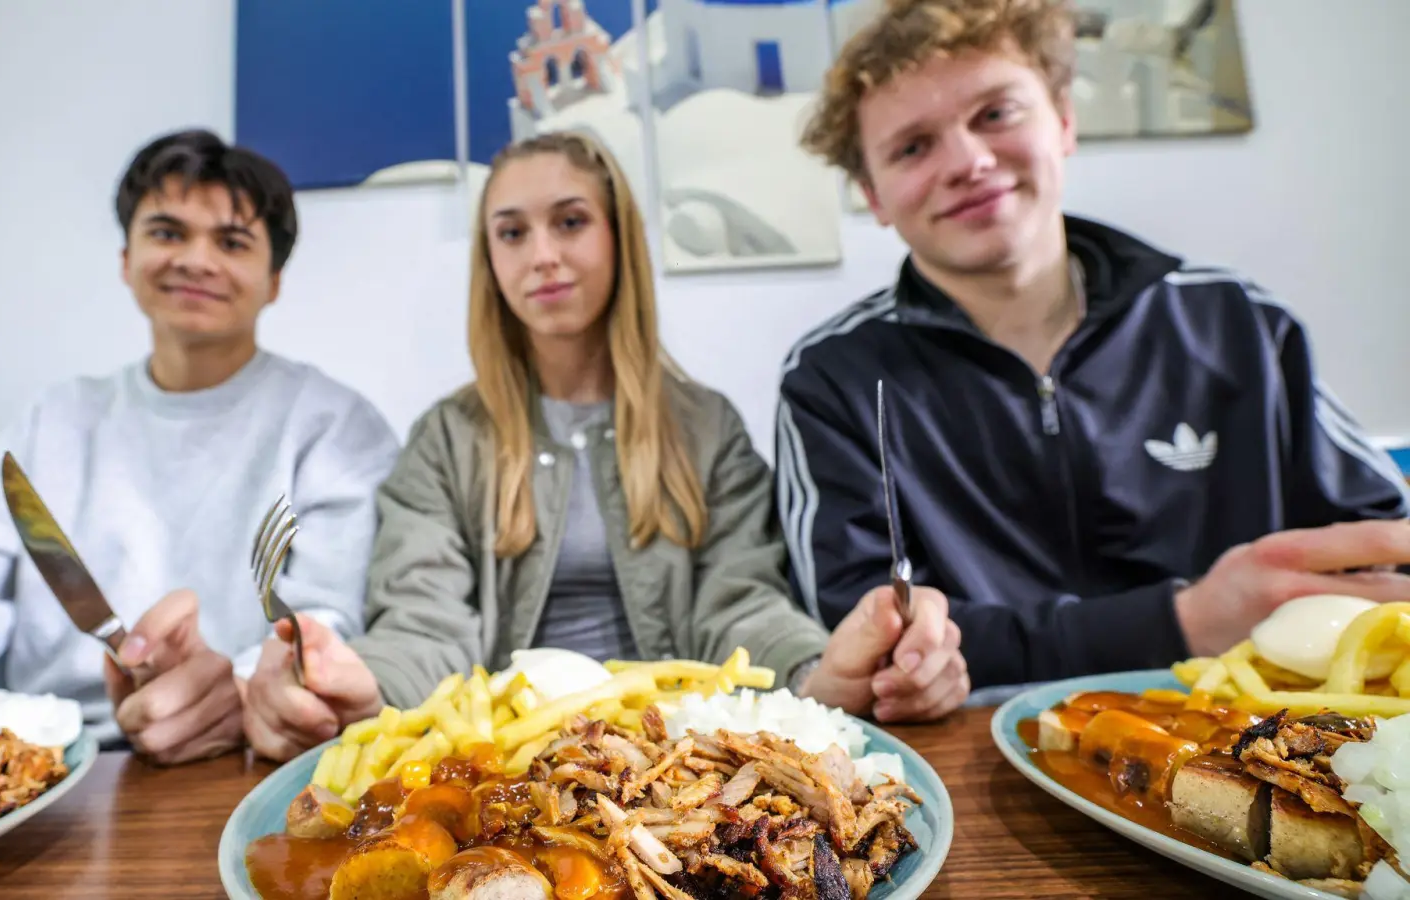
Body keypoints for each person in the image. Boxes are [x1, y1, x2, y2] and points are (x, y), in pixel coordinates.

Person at [240, 131, 971, 762]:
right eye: (512, 233)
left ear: (620, 237)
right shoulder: (445, 440)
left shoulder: (707, 427)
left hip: (678, 759)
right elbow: (423, 621)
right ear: (489, 259)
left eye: (570, 222)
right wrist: (359, 684)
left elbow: (743, 603)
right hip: (507, 763)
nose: (543, 255)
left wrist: (817, 671)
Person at [776, 0, 1410, 694]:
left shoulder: (1238, 321)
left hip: (1263, 725)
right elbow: (864, 644)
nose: (970, 161)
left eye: (996, 114)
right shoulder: (831, 380)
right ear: (873, 195)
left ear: (1064, 120)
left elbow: (1384, 542)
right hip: (975, 742)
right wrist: (1183, 621)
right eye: (912, 147)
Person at [0, 129, 401, 764]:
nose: (195, 260)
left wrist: (246, 691)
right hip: (50, 759)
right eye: (168, 233)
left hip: (255, 758)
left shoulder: (336, 426)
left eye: (232, 242)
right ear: (126, 258)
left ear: (274, 280)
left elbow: (327, 619)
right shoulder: (52, 422)